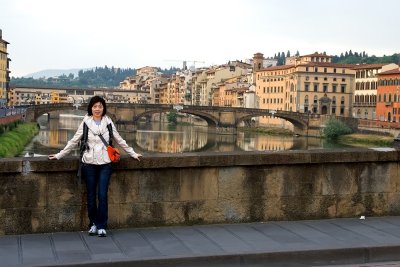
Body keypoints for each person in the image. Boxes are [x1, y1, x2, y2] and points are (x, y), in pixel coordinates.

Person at [48, 96, 142, 237]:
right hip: (89, 164)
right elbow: (74, 140)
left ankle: (102, 225)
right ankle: (93, 224)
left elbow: (119, 139)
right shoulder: (85, 123)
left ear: (103, 108)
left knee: (102, 195)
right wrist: (60, 155)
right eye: (95, 106)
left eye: (100, 106)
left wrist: (132, 153)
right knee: (91, 196)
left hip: (105, 163)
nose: (97, 109)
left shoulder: (108, 123)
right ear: (91, 108)